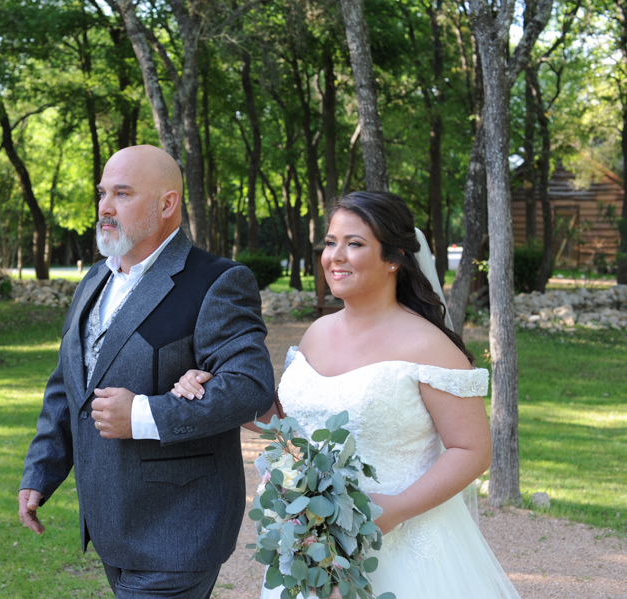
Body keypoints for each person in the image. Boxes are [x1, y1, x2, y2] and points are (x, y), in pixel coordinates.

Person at [172, 191, 522, 599]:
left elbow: (472, 450)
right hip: (314, 547)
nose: (335, 256)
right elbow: (288, 424)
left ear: (394, 259)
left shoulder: (429, 347)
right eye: (331, 242)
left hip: (404, 541)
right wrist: (215, 388)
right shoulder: (317, 333)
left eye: (354, 244)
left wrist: (394, 511)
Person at [18, 145, 275, 599]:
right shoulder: (95, 279)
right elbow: (66, 386)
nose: (105, 207)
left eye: (122, 193)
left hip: (179, 529)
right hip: (111, 527)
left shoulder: (217, 281)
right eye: (102, 193)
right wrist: (40, 474)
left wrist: (142, 414)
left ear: (167, 204)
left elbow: (251, 387)